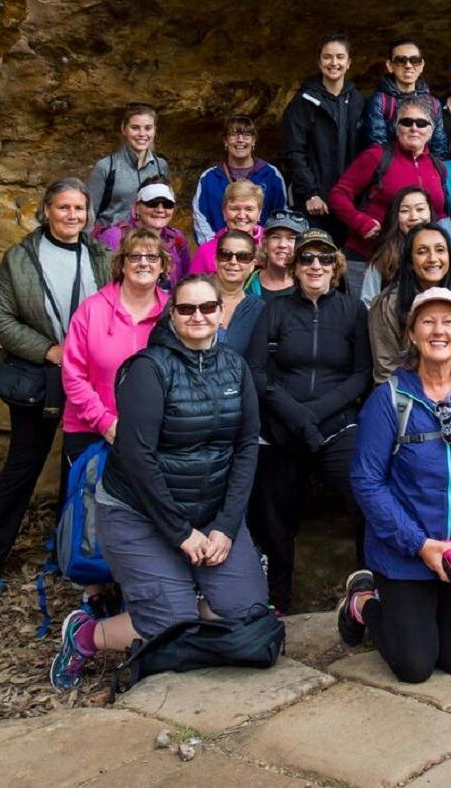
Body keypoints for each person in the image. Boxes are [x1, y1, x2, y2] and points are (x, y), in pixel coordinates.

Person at [50, 274, 268, 690]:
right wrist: (181, 533)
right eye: (187, 308)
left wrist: (225, 525)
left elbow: (245, 447)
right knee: (172, 626)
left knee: (250, 616)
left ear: (222, 314)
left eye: (208, 307)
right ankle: (85, 635)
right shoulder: (149, 370)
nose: (198, 316)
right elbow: (137, 457)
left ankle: (191, 598)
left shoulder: (235, 368)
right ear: (172, 315)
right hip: (140, 513)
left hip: (210, 511)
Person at [339, 287, 451, 683]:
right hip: (405, 553)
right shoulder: (390, 398)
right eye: (428, 322)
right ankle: (363, 601)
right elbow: (367, 481)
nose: (439, 331)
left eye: (449, 321)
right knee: (415, 666)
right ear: (411, 334)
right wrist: (419, 544)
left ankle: (423, 615)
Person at [0, 179, 112, 595]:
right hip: (42, 374)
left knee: (80, 463)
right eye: (63, 208)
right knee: (24, 463)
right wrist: (49, 350)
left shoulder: (101, 254)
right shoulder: (21, 258)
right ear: (46, 210)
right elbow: (1, 319)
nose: (72, 216)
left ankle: (70, 552)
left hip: (91, 376)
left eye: (79, 209)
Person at [247, 227, 373, 612]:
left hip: (334, 427)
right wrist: (297, 415)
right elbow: (256, 370)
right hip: (284, 425)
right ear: (295, 266)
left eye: (323, 258)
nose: (314, 265)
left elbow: (360, 375)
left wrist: (314, 415)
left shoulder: (353, 310)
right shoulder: (276, 309)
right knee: (273, 510)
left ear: (336, 266)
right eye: (306, 258)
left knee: (367, 494)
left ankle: (367, 590)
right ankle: (276, 599)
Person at [61, 228, 169, 465]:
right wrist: (104, 422)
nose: (143, 263)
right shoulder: (91, 309)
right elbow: (73, 375)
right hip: (88, 430)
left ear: (163, 267)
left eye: (152, 257)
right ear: (122, 264)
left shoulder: (172, 314)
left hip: (153, 435)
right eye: (134, 256)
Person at [329, 97, 449, 261]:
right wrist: (360, 222)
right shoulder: (376, 156)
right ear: (396, 127)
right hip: (369, 255)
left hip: (417, 260)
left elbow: (440, 212)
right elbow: (338, 194)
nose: (414, 128)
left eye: (421, 123)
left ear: (431, 130)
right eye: (407, 122)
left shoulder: (438, 166)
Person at [281, 34, 364, 244]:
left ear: (349, 62)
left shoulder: (357, 101)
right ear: (319, 62)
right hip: (314, 204)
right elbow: (294, 152)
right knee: (314, 260)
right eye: (327, 57)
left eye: (339, 57)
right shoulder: (303, 102)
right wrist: (310, 193)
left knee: (345, 268)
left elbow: (365, 152)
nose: (333, 63)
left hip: (349, 202)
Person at [368, 221, 451, 382]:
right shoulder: (387, 305)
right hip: (406, 394)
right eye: (422, 252)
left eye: (440, 250)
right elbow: (385, 372)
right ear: (410, 262)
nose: (433, 258)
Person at [191, 115, 289, 245]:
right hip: (220, 253)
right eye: (233, 135)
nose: (240, 140)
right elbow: (200, 217)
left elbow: (280, 216)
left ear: (254, 141)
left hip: (261, 252)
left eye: (246, 135)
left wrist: (265, 248)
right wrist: (214, 249)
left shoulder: (271, 174)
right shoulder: (209, 178)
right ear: (225, 141)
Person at [95, 177, 192, 288]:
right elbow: (104, 283)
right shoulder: (115, 237)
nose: (160, 210)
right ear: (136, 207)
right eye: (152, 203)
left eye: (167, 204)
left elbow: (185, 281)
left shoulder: (177, 238)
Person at [87, 104, 170, 234]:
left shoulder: (161, 166)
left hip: (147, 243)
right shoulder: (106, 167)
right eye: (135, 128)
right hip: (111, 242)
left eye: (148, 128)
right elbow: (89, 212)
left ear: (155, 130)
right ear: (124, 129)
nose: (142, 134)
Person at [362, 37, 446, 155]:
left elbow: (439, 145)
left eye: (414, 60)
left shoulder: (433, 103)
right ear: (390, 65)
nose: (408, 65)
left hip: (424, 168)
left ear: (421, 65)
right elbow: (377, 145)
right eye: (401, 60)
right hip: (391, 169)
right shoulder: (380, 101)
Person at [361, 186, 436, 305]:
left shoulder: (443, 251)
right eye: (405, 211)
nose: (414, 217)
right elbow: (368, 304)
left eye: (420, 209)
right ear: (395, 216)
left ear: (430, 212)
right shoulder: (384, 258)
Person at [188, 180, 267, 276]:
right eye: (235, 209)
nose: (241, 216)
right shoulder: (206, 252)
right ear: (224, 212)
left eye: (249, 209)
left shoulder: (270, 246)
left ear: (259, 213)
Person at [212, 229, 266, 350]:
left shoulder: (258, 308)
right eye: (225, 255)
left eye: (243, 257)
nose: (233, 262)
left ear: (252, 265)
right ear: (216, 261)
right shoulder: (192, 297)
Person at [249, 211, 304, 299]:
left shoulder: (308, 284)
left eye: (291, 238)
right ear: (265, 244)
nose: (282, 244)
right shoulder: (247, 282)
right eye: (275, 237)